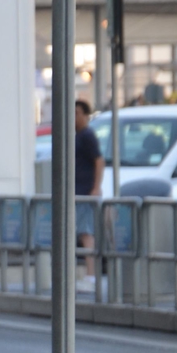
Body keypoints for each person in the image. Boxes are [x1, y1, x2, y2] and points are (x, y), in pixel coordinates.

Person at [75, 97, 105, 278]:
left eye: (77, 113)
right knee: (82, 233)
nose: (74, 117)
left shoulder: (87, 135)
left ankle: (91, 275)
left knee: (86, 233)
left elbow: (99, 160)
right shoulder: (78, 135)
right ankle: (90, 274)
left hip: (85, 192)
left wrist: (95, 187)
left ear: (86, 116)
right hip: (79, 191)